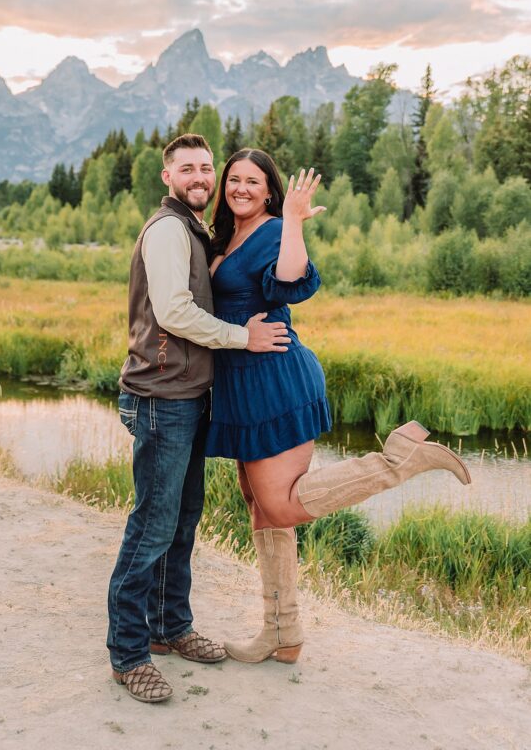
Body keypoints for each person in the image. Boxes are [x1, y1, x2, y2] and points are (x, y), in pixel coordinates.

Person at [206, 149, 471, 664]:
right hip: (240, 384)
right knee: (262, 509)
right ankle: (282, 632)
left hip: (274, 379)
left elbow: (289, 281)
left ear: (269, 191)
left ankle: (397, 461)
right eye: (233, 179)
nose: (241, 188)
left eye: (253, 181)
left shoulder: (271, 229)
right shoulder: (223, 236)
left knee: (280, 504)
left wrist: (294, 223)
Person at [107, 134, 292, 703]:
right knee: (152, 526)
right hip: (162, 396)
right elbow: (174, 311)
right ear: (168, 176)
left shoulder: (192, 230)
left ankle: (170, 627)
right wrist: (243, 338)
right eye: (187, 168)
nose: (200, 177)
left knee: (183, 520)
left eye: (206, 168)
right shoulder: (167, 230)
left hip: (186, 396)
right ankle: (129, 653)